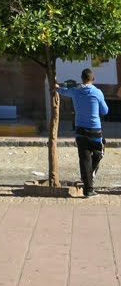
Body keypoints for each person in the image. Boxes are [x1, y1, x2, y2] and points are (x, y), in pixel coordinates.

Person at [56, 68, 108, 197]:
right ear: (93, 79)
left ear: (82, 78)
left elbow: (62, 90)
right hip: (95, 130)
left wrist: (56, 86)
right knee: (98, 153)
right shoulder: (97, 92)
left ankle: (88, 187)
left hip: (80, 131)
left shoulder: (75, 91)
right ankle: (88, 181)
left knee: (84, 159)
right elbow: (105, 111)